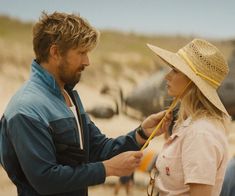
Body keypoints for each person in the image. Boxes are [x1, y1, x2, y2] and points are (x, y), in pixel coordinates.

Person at [0, 12, 171, 196]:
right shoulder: (26, 108)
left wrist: (141, 134)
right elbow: (45, 179)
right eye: (81, 53)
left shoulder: (69, 96)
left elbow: (100, 150)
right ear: (55, 52)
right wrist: (107, 169)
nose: (87, 61)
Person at [146, 39, 231, 196]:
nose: (167, 76)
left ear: (193, 82)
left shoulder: (200, 134)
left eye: (175, 70)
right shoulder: (191, 125)